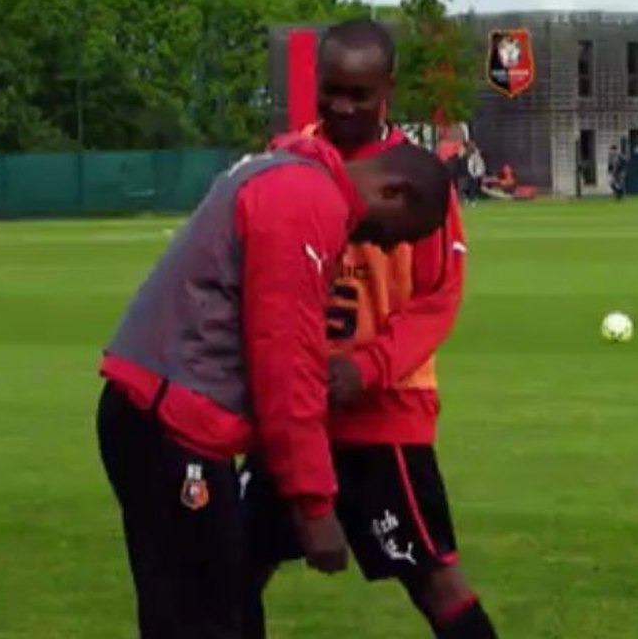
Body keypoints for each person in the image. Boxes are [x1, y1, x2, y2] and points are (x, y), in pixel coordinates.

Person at [95, 135, 453, 639]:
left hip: (162, 415)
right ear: (394, 191)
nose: (384, 246)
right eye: (396, 237)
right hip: (173, 424)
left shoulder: (286, 175)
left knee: (202, 612)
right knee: (205, 621)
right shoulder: (305, 202)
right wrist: (313, 507)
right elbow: (285, 359)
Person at [245, 18, 497, 638]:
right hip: (295, 414)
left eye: (359, 94)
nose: (342, 106)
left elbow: (440, 295)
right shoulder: (286, 159)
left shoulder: (417, 177)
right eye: (332, 90)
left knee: (435, 580)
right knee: (230, 572)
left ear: (388, 88)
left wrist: (367, 367)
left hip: (386, 416)